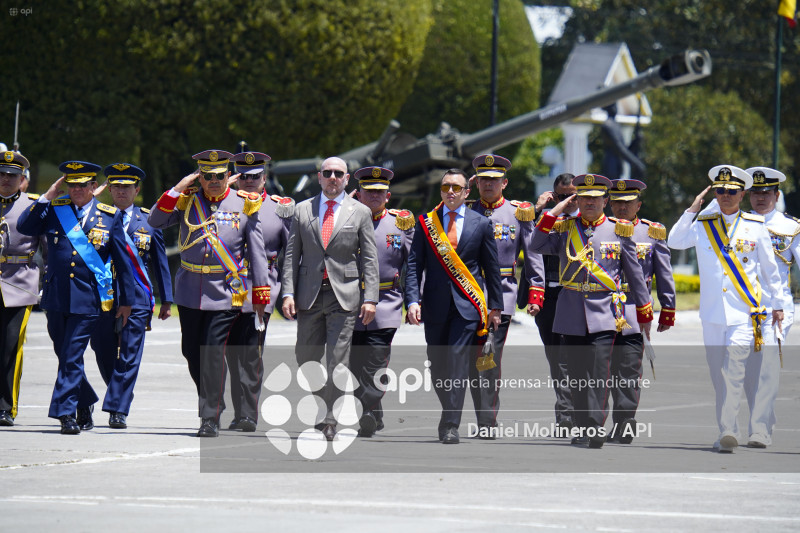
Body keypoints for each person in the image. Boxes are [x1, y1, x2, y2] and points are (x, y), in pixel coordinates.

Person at [148, 150, 270, 438]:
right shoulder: (187, 200)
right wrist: (178, 188)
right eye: (207, 176)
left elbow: (257, 252)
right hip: (190, 290)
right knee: (192, 352)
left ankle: (209, 417)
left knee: (212, 353)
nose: (214, 181)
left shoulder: (245, 204)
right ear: (199, 176)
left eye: (219, 175)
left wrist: (260, 296)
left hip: (226, 293)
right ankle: (213, 399)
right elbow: (154, 221)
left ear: (229, 175)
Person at [530, 174, 653, 449]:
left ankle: (596, 426)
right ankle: (582, 427)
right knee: (575, 374)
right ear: (578, 200)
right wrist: (558, 209)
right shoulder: (564, 228)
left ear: (605, 201)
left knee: (599, 372)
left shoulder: (618, 230)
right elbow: (535, 244)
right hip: (571, 311)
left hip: (604, 312)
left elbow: (634, 273)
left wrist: (644, 311)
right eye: (584, 198)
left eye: (595, 199)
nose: (589, 203)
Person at [667, 165, 783, 453]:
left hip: (744, 314)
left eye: (732, 191)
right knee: (719, 375)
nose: (725, 196)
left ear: (742, 194)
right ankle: (726, 429)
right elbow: (674, 242)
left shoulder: (755, 227)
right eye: (720, 191)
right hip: (712, 315)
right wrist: (691, 209)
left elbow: (771, 271)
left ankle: (729, 431)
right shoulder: (702, 224)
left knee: (733, 371)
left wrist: (779, 306)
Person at [18, 161, 135, 434]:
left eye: (83, 185)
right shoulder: (55, 210)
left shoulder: (108, 216)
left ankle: (65, 413)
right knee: (64, 354)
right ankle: (84, 402)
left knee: (71, 356)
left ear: (94, 187)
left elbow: (122, 260)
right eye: (72, 184)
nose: (77, 190)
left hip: (88, 299)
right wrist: (48, 195)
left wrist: (126, 301)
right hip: (56, 297)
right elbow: (25, 225)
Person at [281, 157, 379, 441]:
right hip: (309, 296)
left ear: (347, 179)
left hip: (344, 296)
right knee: (305, 357)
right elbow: (291, 256)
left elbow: (370, 259)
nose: (333, 177)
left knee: (337, 358)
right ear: (319, 177)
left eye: (338, 173)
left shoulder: (360, 212)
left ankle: (329, 417)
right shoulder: (302, 210)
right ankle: (325, 399)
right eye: (328, 173)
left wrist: (370, 297)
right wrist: (287, 292)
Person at [405, 168, 503, 445]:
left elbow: (491, 268)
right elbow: (413, 265)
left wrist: (495, 306)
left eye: (456, 187)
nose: (451, 191)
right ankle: (449, 408)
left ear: (466, 192)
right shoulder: (426, 223)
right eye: (446, 186)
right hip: (435, 304)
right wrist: (412, 300)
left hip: (468, 306)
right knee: (438, 366)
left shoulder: (480, 223)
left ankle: (450, 424)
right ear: (441, 191)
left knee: (458, 362)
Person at [88, 163, 173, 429]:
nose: (121, 192)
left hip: (137, 295)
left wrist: (166, 299)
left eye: (127, 187)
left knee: (129, 354)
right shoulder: (96, 217)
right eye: (116, 187)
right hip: (103, 295)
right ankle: (121, 392)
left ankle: (117, 408)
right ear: (109, 189)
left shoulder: (150, 219)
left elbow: (160, 261)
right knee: (102, 350)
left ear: (137, 190)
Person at [467, 154, 543, 438]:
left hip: (502, 294)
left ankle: (487, 421)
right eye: (483, 179)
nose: (488, 184)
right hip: (466, 293)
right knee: (468, 360)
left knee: (488, 356)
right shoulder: (463, 210)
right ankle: (481, 415)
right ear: (475, 183)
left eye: (494, 180)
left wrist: (536, 292)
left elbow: (533, 255)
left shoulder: (518, 212)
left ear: (504, 183)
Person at [225, 151, 293, 432]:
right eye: (244, 177)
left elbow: (290, 255)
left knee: (251, 354)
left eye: (255, 177)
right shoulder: (223, 205)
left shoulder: (280, 209)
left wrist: (288, 292)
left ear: (265, 179)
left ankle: (249, 415)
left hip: (260, 290)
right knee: (231, 355)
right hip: (226, 291)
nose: (250, 181)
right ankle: (238, 411)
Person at [607, 178, 675, 443]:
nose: (621, 208)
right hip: (602, 308)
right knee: (604, 368)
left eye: (627, 203)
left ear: (639, 205)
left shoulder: (651, 232)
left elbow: (664, 273)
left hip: (637, 309)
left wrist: (667, 308)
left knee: (628, 368)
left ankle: (625, 421)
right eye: (616, 203)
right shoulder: (602, 229)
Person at [350, 166, 414, 437]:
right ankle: (374, 413)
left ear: (388, 196)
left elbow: (411, 266)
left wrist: (413, 302)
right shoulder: (347, 220)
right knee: (354, 365)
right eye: (368, 191)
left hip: (386, 303)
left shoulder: (401, 224)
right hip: (350, 303)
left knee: (376, 361)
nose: (374, 196)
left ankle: (366, 412)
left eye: (379, 192)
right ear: (359, 194)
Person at [742, 166, 799, 448]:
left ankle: (759, 428)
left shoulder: (791, 227)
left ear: (776, 195)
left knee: (766, 367)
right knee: (748, 372)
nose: (760, 198)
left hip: (777, 310)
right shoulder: (738, 224)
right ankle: (763, 417)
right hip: (743, 309)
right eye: (755, 193)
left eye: (766, 193)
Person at [527, 173, 577, 430]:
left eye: (572, 195)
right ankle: (565, 412)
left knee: (575, 355)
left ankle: (573, 411)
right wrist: (540, 208)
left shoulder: (585, 221)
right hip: (548, 296)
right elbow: (526, 235)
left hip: (577, 295)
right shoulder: (547, 220)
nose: (568, 201)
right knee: (556, 356)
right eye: (561, 196)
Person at [0, 152, 44, 427]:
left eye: (12, 175)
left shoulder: (34, 206)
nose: (5, 179)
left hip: (19, 284)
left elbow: (49, 248)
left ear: (22, 180)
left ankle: (6, 407)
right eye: (2, 174)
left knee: (10, 347)